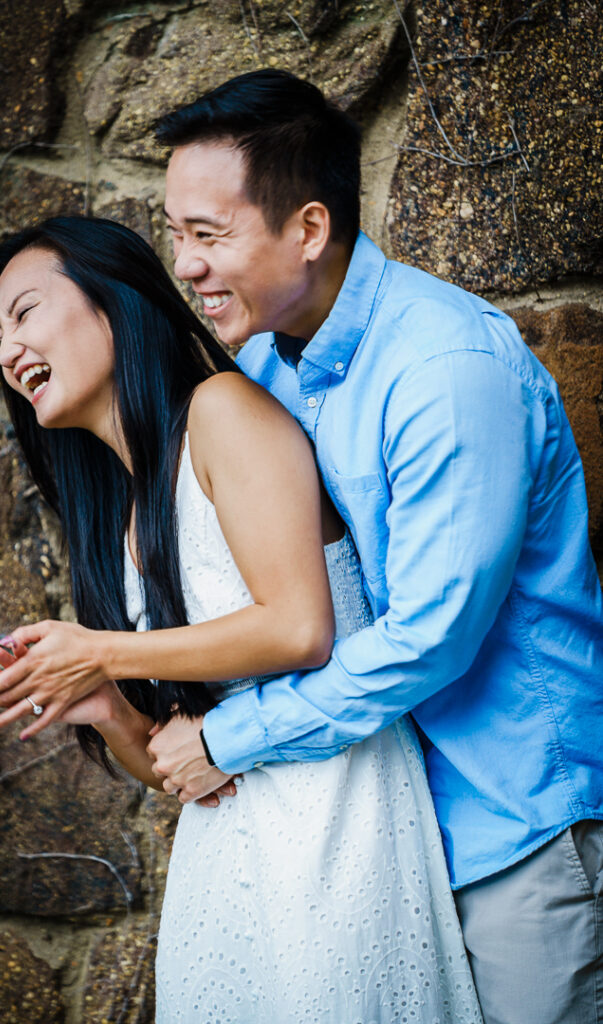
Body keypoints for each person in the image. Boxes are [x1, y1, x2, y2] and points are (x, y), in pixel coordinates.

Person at [135, 71, 601, 1024]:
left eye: (209, 234)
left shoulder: (444, 369)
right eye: (176, 233)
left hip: (517, 818)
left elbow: (432, 636)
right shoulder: (263, 365)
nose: (185, 265)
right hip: (391, 834)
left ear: (307, 228)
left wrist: (231, 738)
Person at [0, 215, 483, 1022]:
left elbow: (300, 627)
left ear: (113, 298)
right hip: (228, 862)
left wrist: (101, 652)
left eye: (24, 313)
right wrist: (104, 709)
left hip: (333, 827)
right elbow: (186, 767)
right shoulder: (122, 515)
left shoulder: (221, 411)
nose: (7, 351)